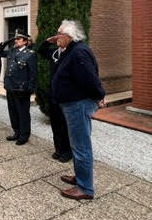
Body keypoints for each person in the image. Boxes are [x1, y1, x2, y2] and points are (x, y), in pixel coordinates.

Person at [51, 20, 105, 201]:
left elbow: (90, 79)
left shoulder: (79, 52)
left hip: (77, 104)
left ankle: (85, 188)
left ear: (69, 36)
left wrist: (99, 96)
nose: (56, 36)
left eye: (59, 33)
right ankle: (80, 177)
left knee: (81, 146)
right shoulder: (71, 50)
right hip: (72, 104)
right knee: (76, 144)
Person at [0, 29, 37, 145]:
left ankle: (24, 135)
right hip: (10, 87)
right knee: (13, 111)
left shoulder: (30, 55)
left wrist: (30, 88)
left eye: (19, 39)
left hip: (22, 89)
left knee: (23, 112)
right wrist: (8, 40)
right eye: (15, 39)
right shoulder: (12, 51)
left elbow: (33, 73)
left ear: (25, 41)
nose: (16, 41)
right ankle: (16, 132)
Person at [38, 36, 72, 162]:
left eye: (60, 34)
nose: (57, 37)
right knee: (56, 125)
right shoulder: (54, 53)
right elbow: (41, 50)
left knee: (65, 126)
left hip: (65, 97)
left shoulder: (70, 54)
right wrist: (47, 41)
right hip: (53, 96)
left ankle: (67, 151)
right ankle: (58, 149)